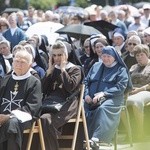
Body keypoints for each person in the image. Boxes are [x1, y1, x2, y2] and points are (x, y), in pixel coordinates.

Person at [84, 46, 130, 150]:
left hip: (113, 99)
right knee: (81, 109)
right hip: (91, 99)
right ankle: (82, 138)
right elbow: (86, 82)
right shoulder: (96, 66)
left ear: (115, 57)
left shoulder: (121, 69)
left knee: (102, 109)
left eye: (108, 56)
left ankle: (96, 139)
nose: (105, 59)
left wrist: (104, 93)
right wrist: (86, 95)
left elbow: (121, 87)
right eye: (103, 56)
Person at [40, 41, 82, 150]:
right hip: (50, 104)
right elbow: (42, 90)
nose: (57, 58)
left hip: (68, 104)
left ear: (66, 55)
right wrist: (49, 72)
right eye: (54, 55)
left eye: (60, 55)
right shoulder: (52, 69)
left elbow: (70, 87)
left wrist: (63, 70)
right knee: (36, 117)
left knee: (45, 120)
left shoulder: (75, 69)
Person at [0, 48, 42, 150]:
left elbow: (32, 107)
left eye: (22, 62)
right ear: (12, 62)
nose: (18, 64)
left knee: (12, 123)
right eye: (16, 61)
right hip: (1, 117)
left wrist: (9, 116)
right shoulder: (5, 79)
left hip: (22, 118)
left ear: (30, 65)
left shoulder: (34, 82)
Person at [127, 44, 150, 139]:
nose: (139, 57)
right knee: (119, 103)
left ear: (147, 54)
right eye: (137, 55)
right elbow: (127, 81)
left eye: (142, 55)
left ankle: (140, 132)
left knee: (136, 102)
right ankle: (130, 133)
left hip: (146, 91)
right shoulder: (133, 67)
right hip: (132, 91)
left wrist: (139, 90)